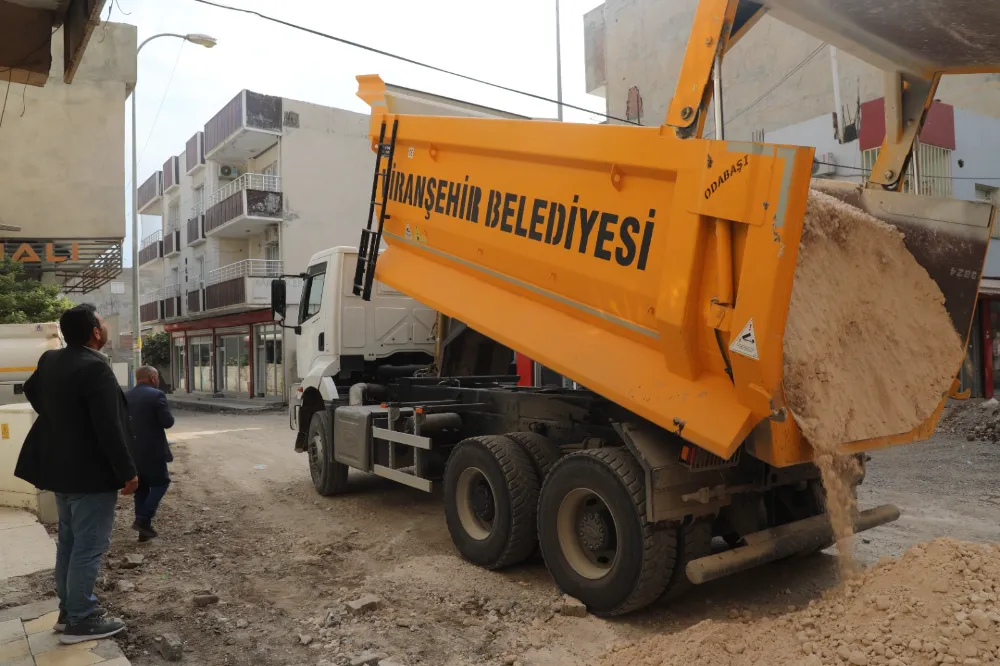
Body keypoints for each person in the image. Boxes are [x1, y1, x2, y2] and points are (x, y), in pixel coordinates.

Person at [15, 304, 137, 644]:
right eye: (100, 322)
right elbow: (109, 427)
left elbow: (30, 389)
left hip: (59, 470)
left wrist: (61, 418)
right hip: (90, 474)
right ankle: (81, 618)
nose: (104, 325)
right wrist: (128, 472)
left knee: (69, 542)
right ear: (96, 332)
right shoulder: (95, 368)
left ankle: (68, 612)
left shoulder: (51, 360)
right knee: (88, 546)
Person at [125, 365, 175, 542]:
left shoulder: (126, 396)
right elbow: (167, 422)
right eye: (158, 377)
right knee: (161, 483)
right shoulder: (156, 395)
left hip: (132, 451)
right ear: (153, 377)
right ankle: (143, 519)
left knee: (142, 488)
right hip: (153, 451)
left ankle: (143, 531)